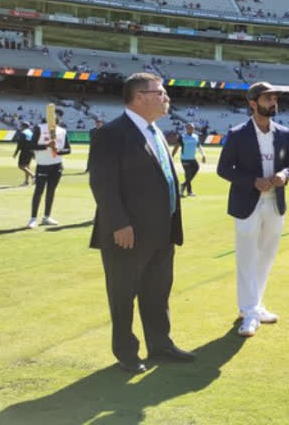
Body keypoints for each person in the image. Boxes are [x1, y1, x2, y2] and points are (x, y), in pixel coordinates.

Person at [89, 72, 194, 373]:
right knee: (123, 295)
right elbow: (103, 184)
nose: (166, 98)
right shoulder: (111, 133)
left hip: (162, 232)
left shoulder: (155, 131)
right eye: (160, 93)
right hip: (128, 233)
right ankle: (127, 353)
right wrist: (119, 223)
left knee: (157, 292)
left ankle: (160, 343)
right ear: (139, 97)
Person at [217, 82, 289, 338]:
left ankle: (256, 306)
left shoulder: (283, 133)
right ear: (253, 103)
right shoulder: (237, 133)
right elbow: (223, 169)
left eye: (275, 98)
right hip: (247, 203)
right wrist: (252, 181)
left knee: (266, 257)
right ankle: (249, 311)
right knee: (247, 258)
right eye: (268, 98)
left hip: (275, 203)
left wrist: (284, 174)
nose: (273, 102)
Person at [26, 109, 70, 228]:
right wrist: (47, 145)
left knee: (51, 191)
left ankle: (47, 217)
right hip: (42, 165)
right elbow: (31, 145)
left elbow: (68, 149)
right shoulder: (39, 128)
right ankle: (33, 218)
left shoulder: (62, 131)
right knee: (38, 192)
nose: (54, 118)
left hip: (57, 166)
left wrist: (58, 150)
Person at [172, 123, 207, 197]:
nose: (191, 129)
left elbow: (199, 146)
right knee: (188, 175)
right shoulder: (182, 137)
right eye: (189, 128)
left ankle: (183, 185)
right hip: (185, 159)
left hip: (192, 158)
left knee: (196, 168)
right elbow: (176, 147)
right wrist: (172, 156)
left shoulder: (196, 137)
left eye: (192, 128)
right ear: (186, 129)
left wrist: (203, 155)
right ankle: (189, 192)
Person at [13, 121, 34, 186]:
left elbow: (20, 144)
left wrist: (16, 153)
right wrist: (33, 153)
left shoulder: (23, 133)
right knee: (27, 166)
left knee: (21, 166)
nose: (20, 127)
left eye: (21, 126)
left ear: (23, 126)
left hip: (24, 151)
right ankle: (26, 182)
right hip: (30, 151)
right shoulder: (31, 133)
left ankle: (33, 176)